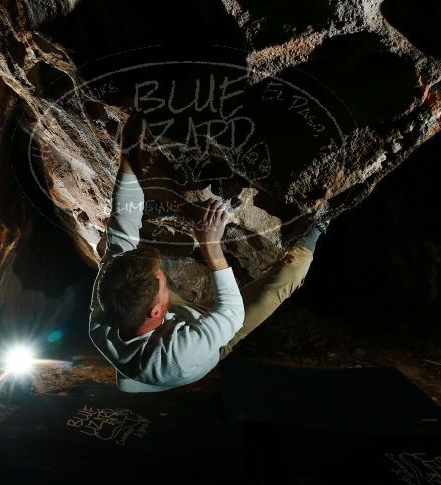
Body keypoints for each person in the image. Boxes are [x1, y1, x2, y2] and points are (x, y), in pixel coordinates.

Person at [88, 112, 328, 392]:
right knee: (288, 275)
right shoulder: (182, 354)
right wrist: (209, 242)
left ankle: (133, 378)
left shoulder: (105, 309)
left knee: (123, 253)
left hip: (161, 326)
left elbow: (121, 226)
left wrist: (129, 152)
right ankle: (320, 221)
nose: (162, 276)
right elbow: (232, 312)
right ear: (156, 310)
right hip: (196, 353)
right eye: (161, 282)